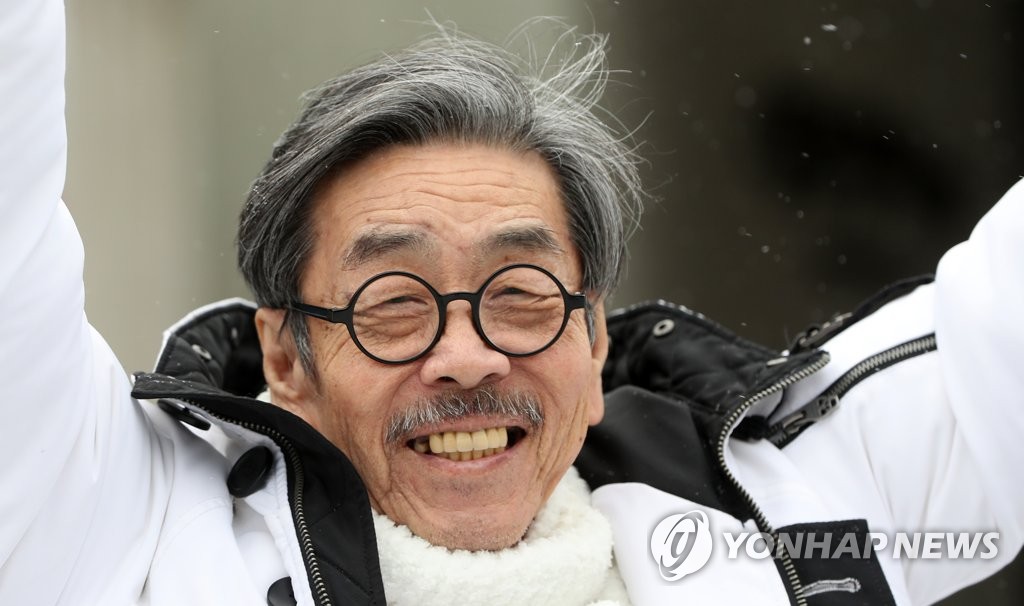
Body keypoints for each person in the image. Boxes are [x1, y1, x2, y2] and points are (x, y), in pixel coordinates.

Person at [2, 1, 1022, 605]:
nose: (467, 355)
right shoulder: (118, 531)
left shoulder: (793, 498)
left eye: (523, 294)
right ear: (284, 356)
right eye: (393, 302)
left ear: (594, 334)